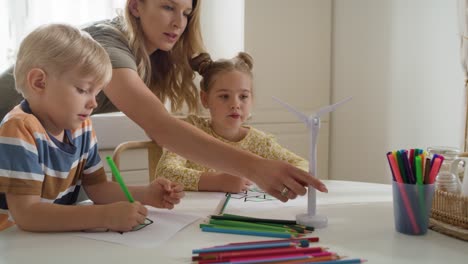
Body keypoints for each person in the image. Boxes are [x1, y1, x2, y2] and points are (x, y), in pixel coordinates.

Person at [0, 0, 327, 202]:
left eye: (186, 12)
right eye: (168, 6)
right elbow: (162, 127)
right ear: (135, 6)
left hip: (47, 148)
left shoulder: (152, 57)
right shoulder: (108, 45)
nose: (179, 22)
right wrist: (255, 168)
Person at [0, 24, 184, 232]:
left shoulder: (82, 127)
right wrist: (105, 216)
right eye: (83, 90)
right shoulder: (19, 129)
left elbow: (98, 188)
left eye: (96, 93)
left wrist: (147, 194)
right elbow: (28, 215)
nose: (94, 103)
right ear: (39, 82)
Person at [156, 52, 310, 193]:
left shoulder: (260, 142)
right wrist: (218, 182)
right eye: (224, 96)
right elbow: (166, 171)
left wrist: (289, 182)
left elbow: (300, 164)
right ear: (205, 99)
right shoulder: (191, 130)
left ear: (252, 100)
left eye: (243, 97)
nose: (235, 104)